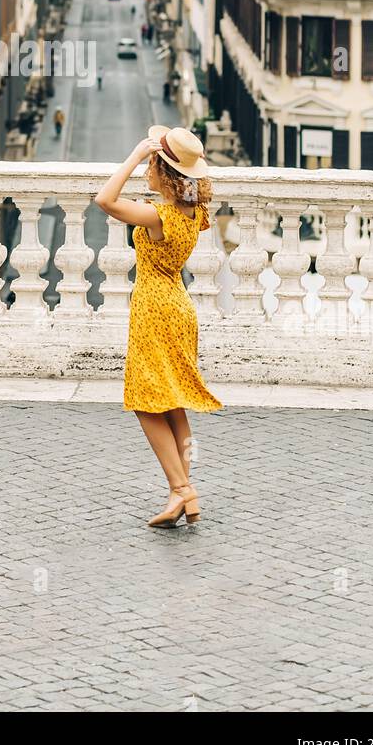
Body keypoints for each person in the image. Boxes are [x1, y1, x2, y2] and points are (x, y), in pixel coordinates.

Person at [94, 127, 222, 529]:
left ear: (163, 172)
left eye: (152, 165)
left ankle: (183, 489)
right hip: (179, 306)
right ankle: (179, 494)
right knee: (173, 401)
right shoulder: (193, 212)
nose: (147, 170)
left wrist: (133, 155)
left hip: (154, 308)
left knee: (146, 403)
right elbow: (178, 198)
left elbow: (104, 200)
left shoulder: (156, 215)